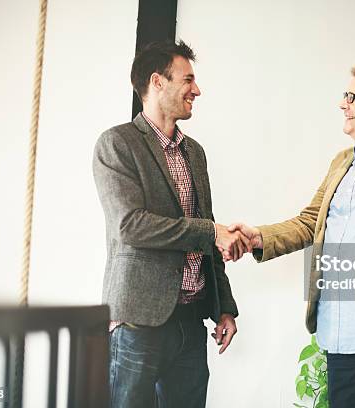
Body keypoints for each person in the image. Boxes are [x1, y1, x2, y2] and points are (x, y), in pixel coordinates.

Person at [226, 63, 355, 408]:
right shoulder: (341, 162)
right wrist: (258, 236)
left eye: (352, 97)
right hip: (337, 334)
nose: (343, 104)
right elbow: (310, 221)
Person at [92, 40, 249, 408]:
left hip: (191, 322)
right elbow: (131, 226)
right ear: (157, 82)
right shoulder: (117, 144)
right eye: (188, 79)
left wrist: (224, 305)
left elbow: (209, 232)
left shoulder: (195, 152)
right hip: (137, 323)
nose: (197, 90)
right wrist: (211, 231)